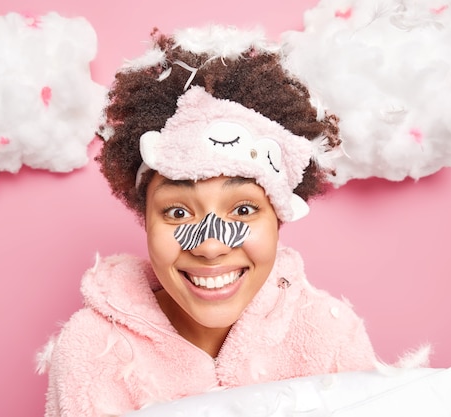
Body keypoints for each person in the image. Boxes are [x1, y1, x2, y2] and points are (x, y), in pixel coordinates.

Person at [37, 26, 378, 417]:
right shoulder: (92, 346)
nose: (211, 246)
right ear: (144, 219)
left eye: (244, 210)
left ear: (278, 220)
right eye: (178, 212)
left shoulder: (329, 334)